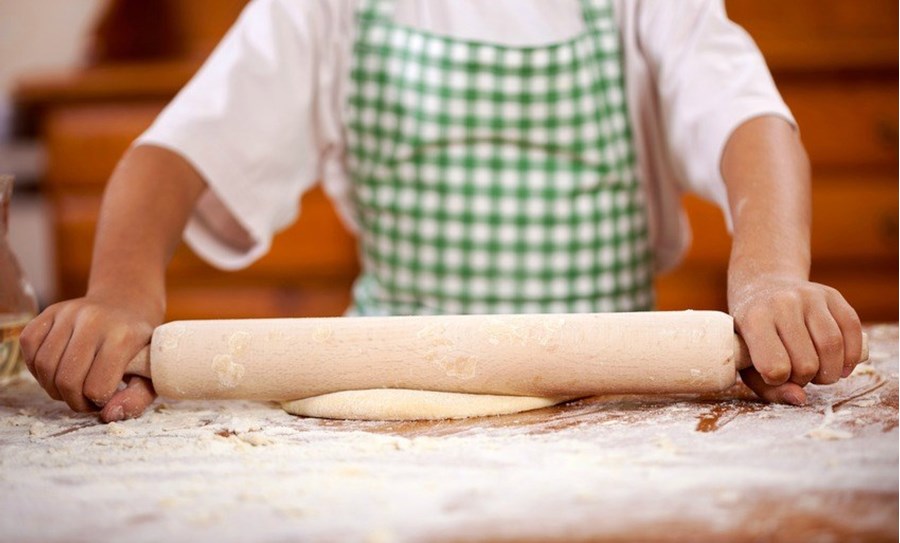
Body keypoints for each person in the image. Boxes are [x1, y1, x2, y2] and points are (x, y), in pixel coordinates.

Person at [20, 0, 864, 422]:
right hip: (392, 407)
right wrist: (122, 296)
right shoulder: (330, 9)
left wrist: (770, 276)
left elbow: (750, 122)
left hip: (609, 400)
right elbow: (173, 153)